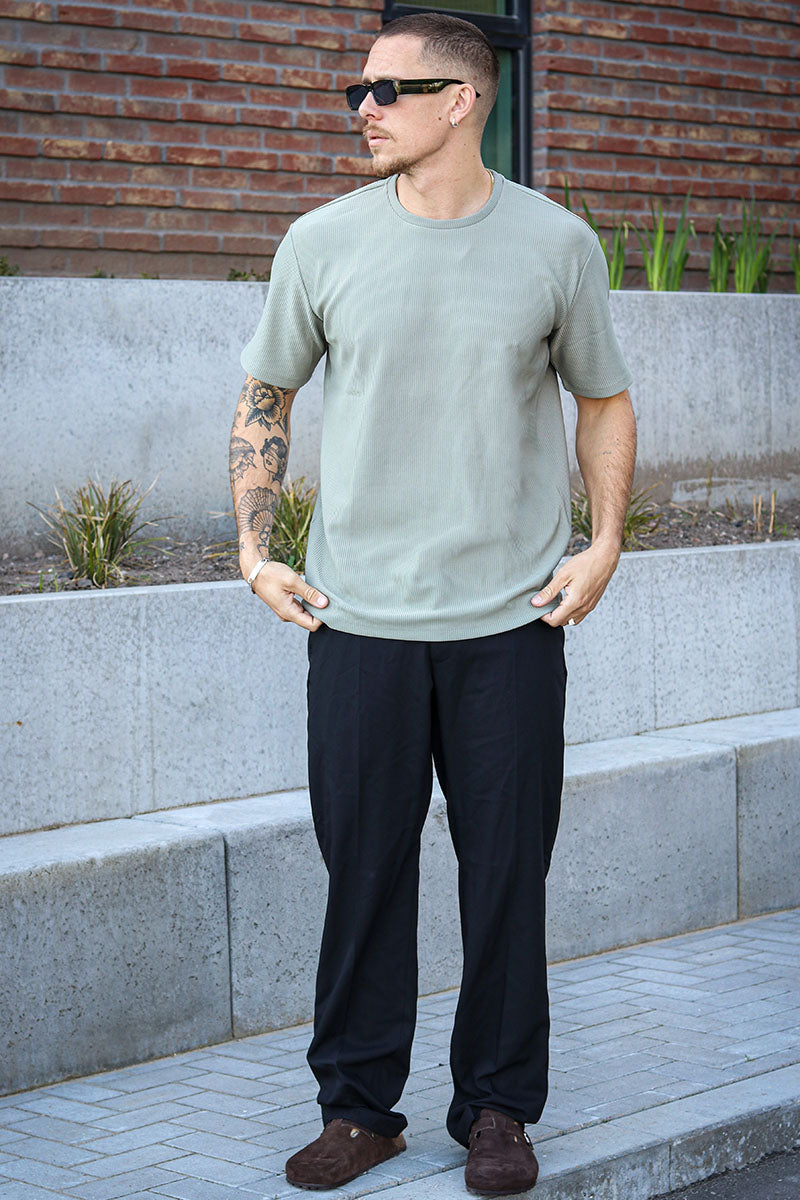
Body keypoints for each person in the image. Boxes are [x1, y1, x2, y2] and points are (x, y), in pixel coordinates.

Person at [230, 11, 636, 1196]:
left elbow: (601, 399)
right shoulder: (320, 242)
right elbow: (263, 397)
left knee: (504, 876)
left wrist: (604, 544)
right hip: (356, 624)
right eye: (356, 89)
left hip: (510, 625)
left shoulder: (556, 244)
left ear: (462, 100)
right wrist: (255, 551)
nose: (362, 107)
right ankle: (358, 1110)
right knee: (363, 875)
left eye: (387, 90)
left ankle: (497, 1108)